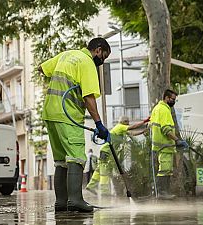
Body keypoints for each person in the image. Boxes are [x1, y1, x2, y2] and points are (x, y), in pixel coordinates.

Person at [38, 37, 111, 212]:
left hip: (50, 112)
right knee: (76, 156)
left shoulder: (67, 55)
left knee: (61, 161)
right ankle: (76, 200)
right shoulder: (86, 62)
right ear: (98, 50)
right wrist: (99, 124)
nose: (102, 62)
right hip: (68, 115)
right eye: (104, 57)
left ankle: (61, 202)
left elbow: (41, 68)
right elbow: (88, 97)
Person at [86, 115, 149, 196]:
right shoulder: (120, 126)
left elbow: (132, 133)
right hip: (107, 152)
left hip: (106, 151)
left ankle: (91, 186)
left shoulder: (122, 130)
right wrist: (144, 121)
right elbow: (132, 127)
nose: (128, 124)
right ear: (124, 122)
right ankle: (105, 193)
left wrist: (143, 131)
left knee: (99, 169)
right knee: (105, 171)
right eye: (127, 122)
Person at [150, 89, 188, 199]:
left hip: (159, 146)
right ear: (166, 98)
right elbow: (166, 129)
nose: (173, 102)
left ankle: (163, 193)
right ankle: (162, 193)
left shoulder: (156, 108)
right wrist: (177, 140)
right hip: (164, 146)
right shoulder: (164, 110)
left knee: (165, 169)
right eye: (172, 99)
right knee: (164, 170)